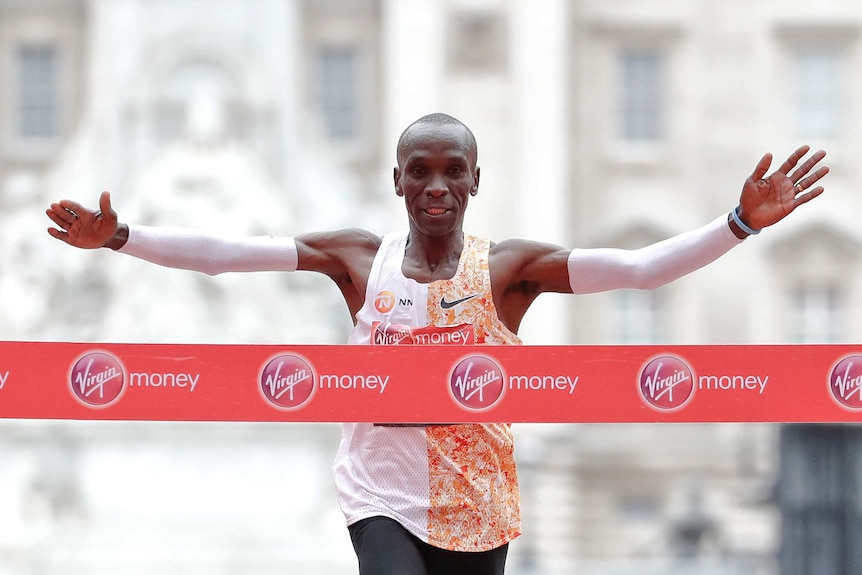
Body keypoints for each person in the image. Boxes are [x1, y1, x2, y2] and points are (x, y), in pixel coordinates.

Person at [46, 113, 828, 575]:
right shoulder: (358, 259)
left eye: (453, 171)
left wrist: (739, 222)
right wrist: (121, 237)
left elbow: (638, 268)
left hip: (479, 503)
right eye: (419, 171)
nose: (436, 185)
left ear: (475, 181)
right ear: (397, 181)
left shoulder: (510, 270)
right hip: (377, 494)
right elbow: (227, 251)